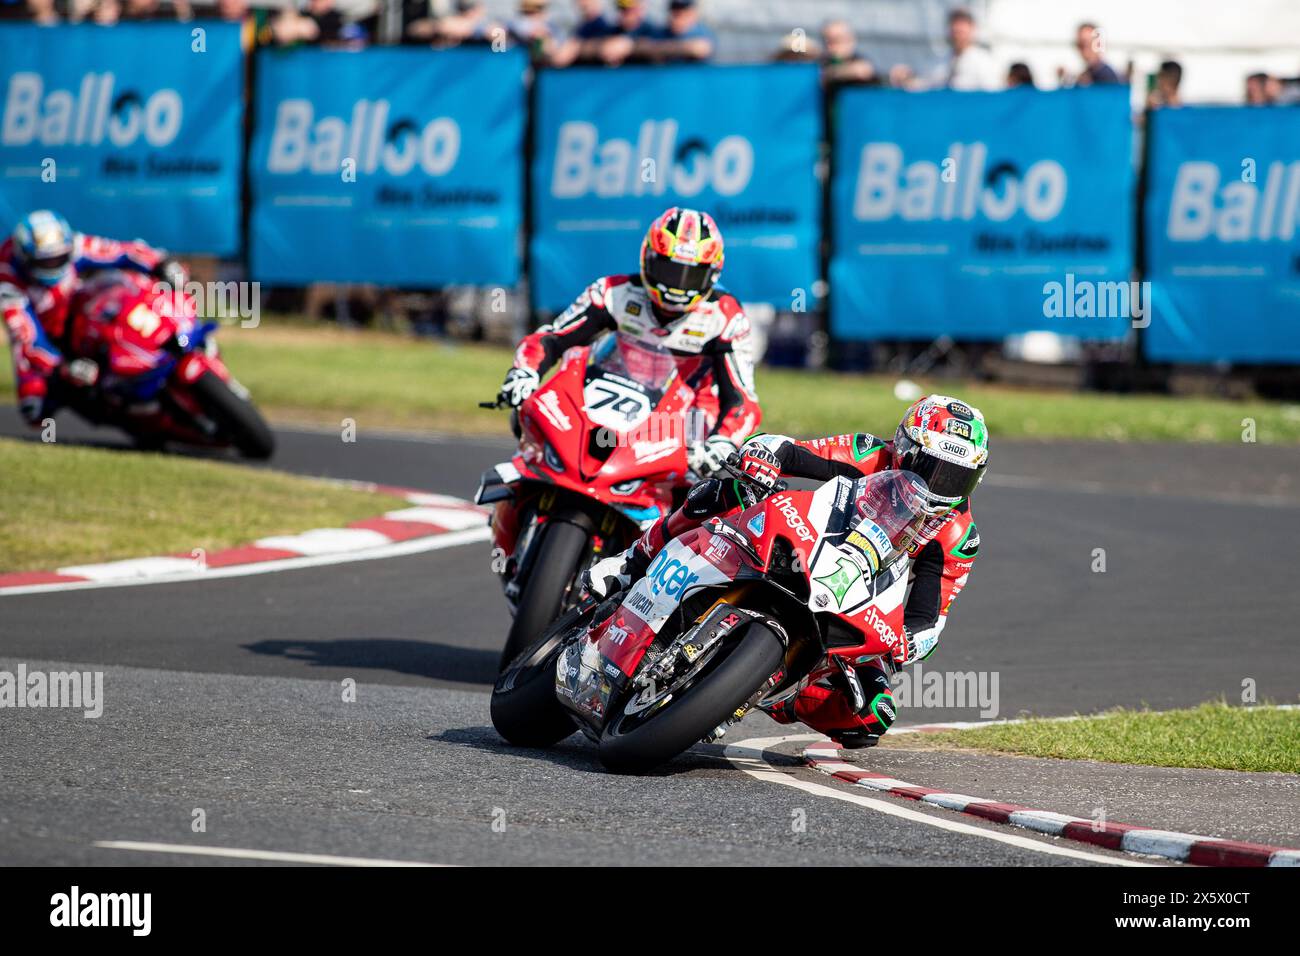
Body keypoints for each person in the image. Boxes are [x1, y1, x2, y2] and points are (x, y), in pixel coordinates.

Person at [583, 394, 989, 749]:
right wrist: (764, 457)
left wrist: (910, 641)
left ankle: (777, 690)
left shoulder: (958, 534)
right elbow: (787, 449)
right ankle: (632, 560)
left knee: (873, 714)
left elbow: (931, 613)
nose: (941, 485)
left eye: (957, 476)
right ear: (905, 447)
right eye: (931, 466)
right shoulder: (869, 454)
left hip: (860, 595)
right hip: (802, 540)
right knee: (731, 491)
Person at [496, 206, 761, 475]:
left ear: (712, 275)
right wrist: (524, 372)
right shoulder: (612, 292)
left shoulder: (727, 316)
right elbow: (551, 339)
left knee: (702, 486)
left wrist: (723, 441)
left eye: (690, 276)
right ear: (647, 258)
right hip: (614, 402)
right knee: (531, 425)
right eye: (669, 271)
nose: (677, 288)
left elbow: (742, 400)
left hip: (684, 423)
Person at [1, 210, 186, 427]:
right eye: (46, 261)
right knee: (34, 409)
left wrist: (162, 262)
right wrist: (62, 366)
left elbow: (122, 251)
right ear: (26, 258)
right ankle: (116, 412)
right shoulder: (8, 283)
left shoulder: (75, 245)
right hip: (52, 343)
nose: (54, 265)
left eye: (59, 258)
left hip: (81, 315)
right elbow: (28, 340)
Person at [820, 19, 876, 85]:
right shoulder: (822, 62)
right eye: (831, 41)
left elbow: (866, 70)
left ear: (851, 40)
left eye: (840, 39)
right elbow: (826, 75)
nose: (836, 46)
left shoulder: (860, 60)